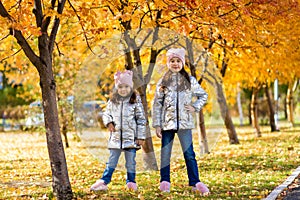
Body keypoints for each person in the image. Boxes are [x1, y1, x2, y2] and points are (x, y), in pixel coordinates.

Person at [152, 48, 210, 195]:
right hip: (167, 124)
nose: (175, 64)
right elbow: (157, 104)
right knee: (165, 154)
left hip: (185, 124)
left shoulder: (189, 80)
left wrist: (195, 106)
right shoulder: (163, 82)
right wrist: (157, 125)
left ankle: (195, 182)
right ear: (168, 63)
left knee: (189, 154)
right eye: (172, 61)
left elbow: (203, 95)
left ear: (183, 63)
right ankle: (164, 182)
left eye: (178, 61)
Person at [90, 70, 146, 192]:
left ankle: (131, 182)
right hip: (115, 138)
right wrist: (109, 123)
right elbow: (106, 114)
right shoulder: (112, 101)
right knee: (111, 161)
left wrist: (141, 137)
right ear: (117, 88)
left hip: (131, 139)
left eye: (126, 86)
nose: (123, 89)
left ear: (131, 87)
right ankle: (104, 181)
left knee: (130, 162)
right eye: (120, 87)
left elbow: (141, 120)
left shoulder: (135, 101)